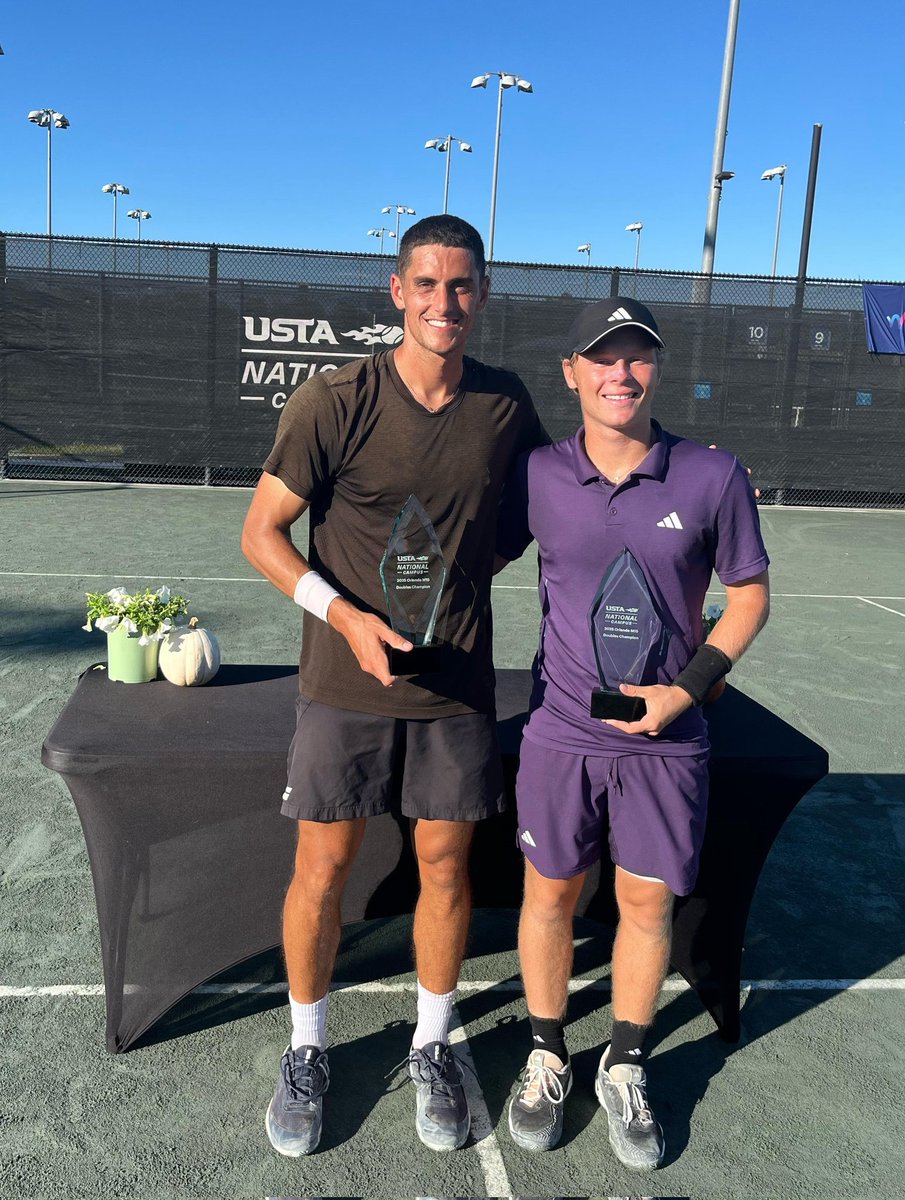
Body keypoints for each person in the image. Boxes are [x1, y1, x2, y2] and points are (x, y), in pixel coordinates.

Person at [240, 215, 547, 1156]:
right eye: (427, 284)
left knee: (446, 869)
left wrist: (455, 592)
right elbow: (261, 535)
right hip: (343, 686)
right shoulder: (334, 399)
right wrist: (348, 619)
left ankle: (430, 1042)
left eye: (461, 286)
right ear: (396, 290)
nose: (443, 303)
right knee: (322, 871)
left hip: (453, 690)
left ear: (482, 294)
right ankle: (307, 1049)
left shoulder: (505, 404)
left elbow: (521, 521)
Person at [496, 298, 770, 1169]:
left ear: (656, 370)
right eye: (601, 358)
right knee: (549, 895)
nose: (620, 373)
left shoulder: (710, 475)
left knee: (647, 904)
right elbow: (463, 553)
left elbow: (749, 596)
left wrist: (684, 694)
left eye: (637, 357)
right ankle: (547, 1051)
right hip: (560, 736)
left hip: (665, 743)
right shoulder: (536, 472)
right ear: (571, 373)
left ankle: (623, 1060)